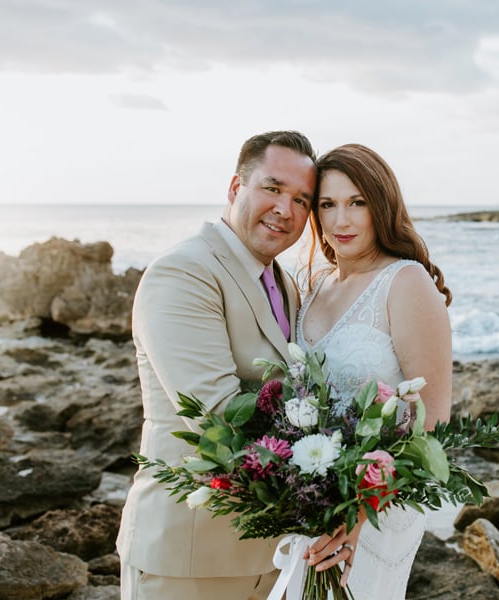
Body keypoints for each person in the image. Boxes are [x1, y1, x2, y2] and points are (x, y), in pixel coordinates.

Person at [116, 131, 317, 600]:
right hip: (188, 558)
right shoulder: (184, 272)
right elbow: (217, 415)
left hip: (272, 555)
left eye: (302, 199)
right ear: (234, 188)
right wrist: (329, 472)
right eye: (272, 188)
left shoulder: (284, 283)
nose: (286, 210)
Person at [296, 143, 453, 598]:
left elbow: (433, 421)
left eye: (357, 203)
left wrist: (358, 512)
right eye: (327, 204)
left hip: (378, 508)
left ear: (381, 205)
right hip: (312, 500)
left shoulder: (405, 282)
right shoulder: (316, 285)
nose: (340, 220)